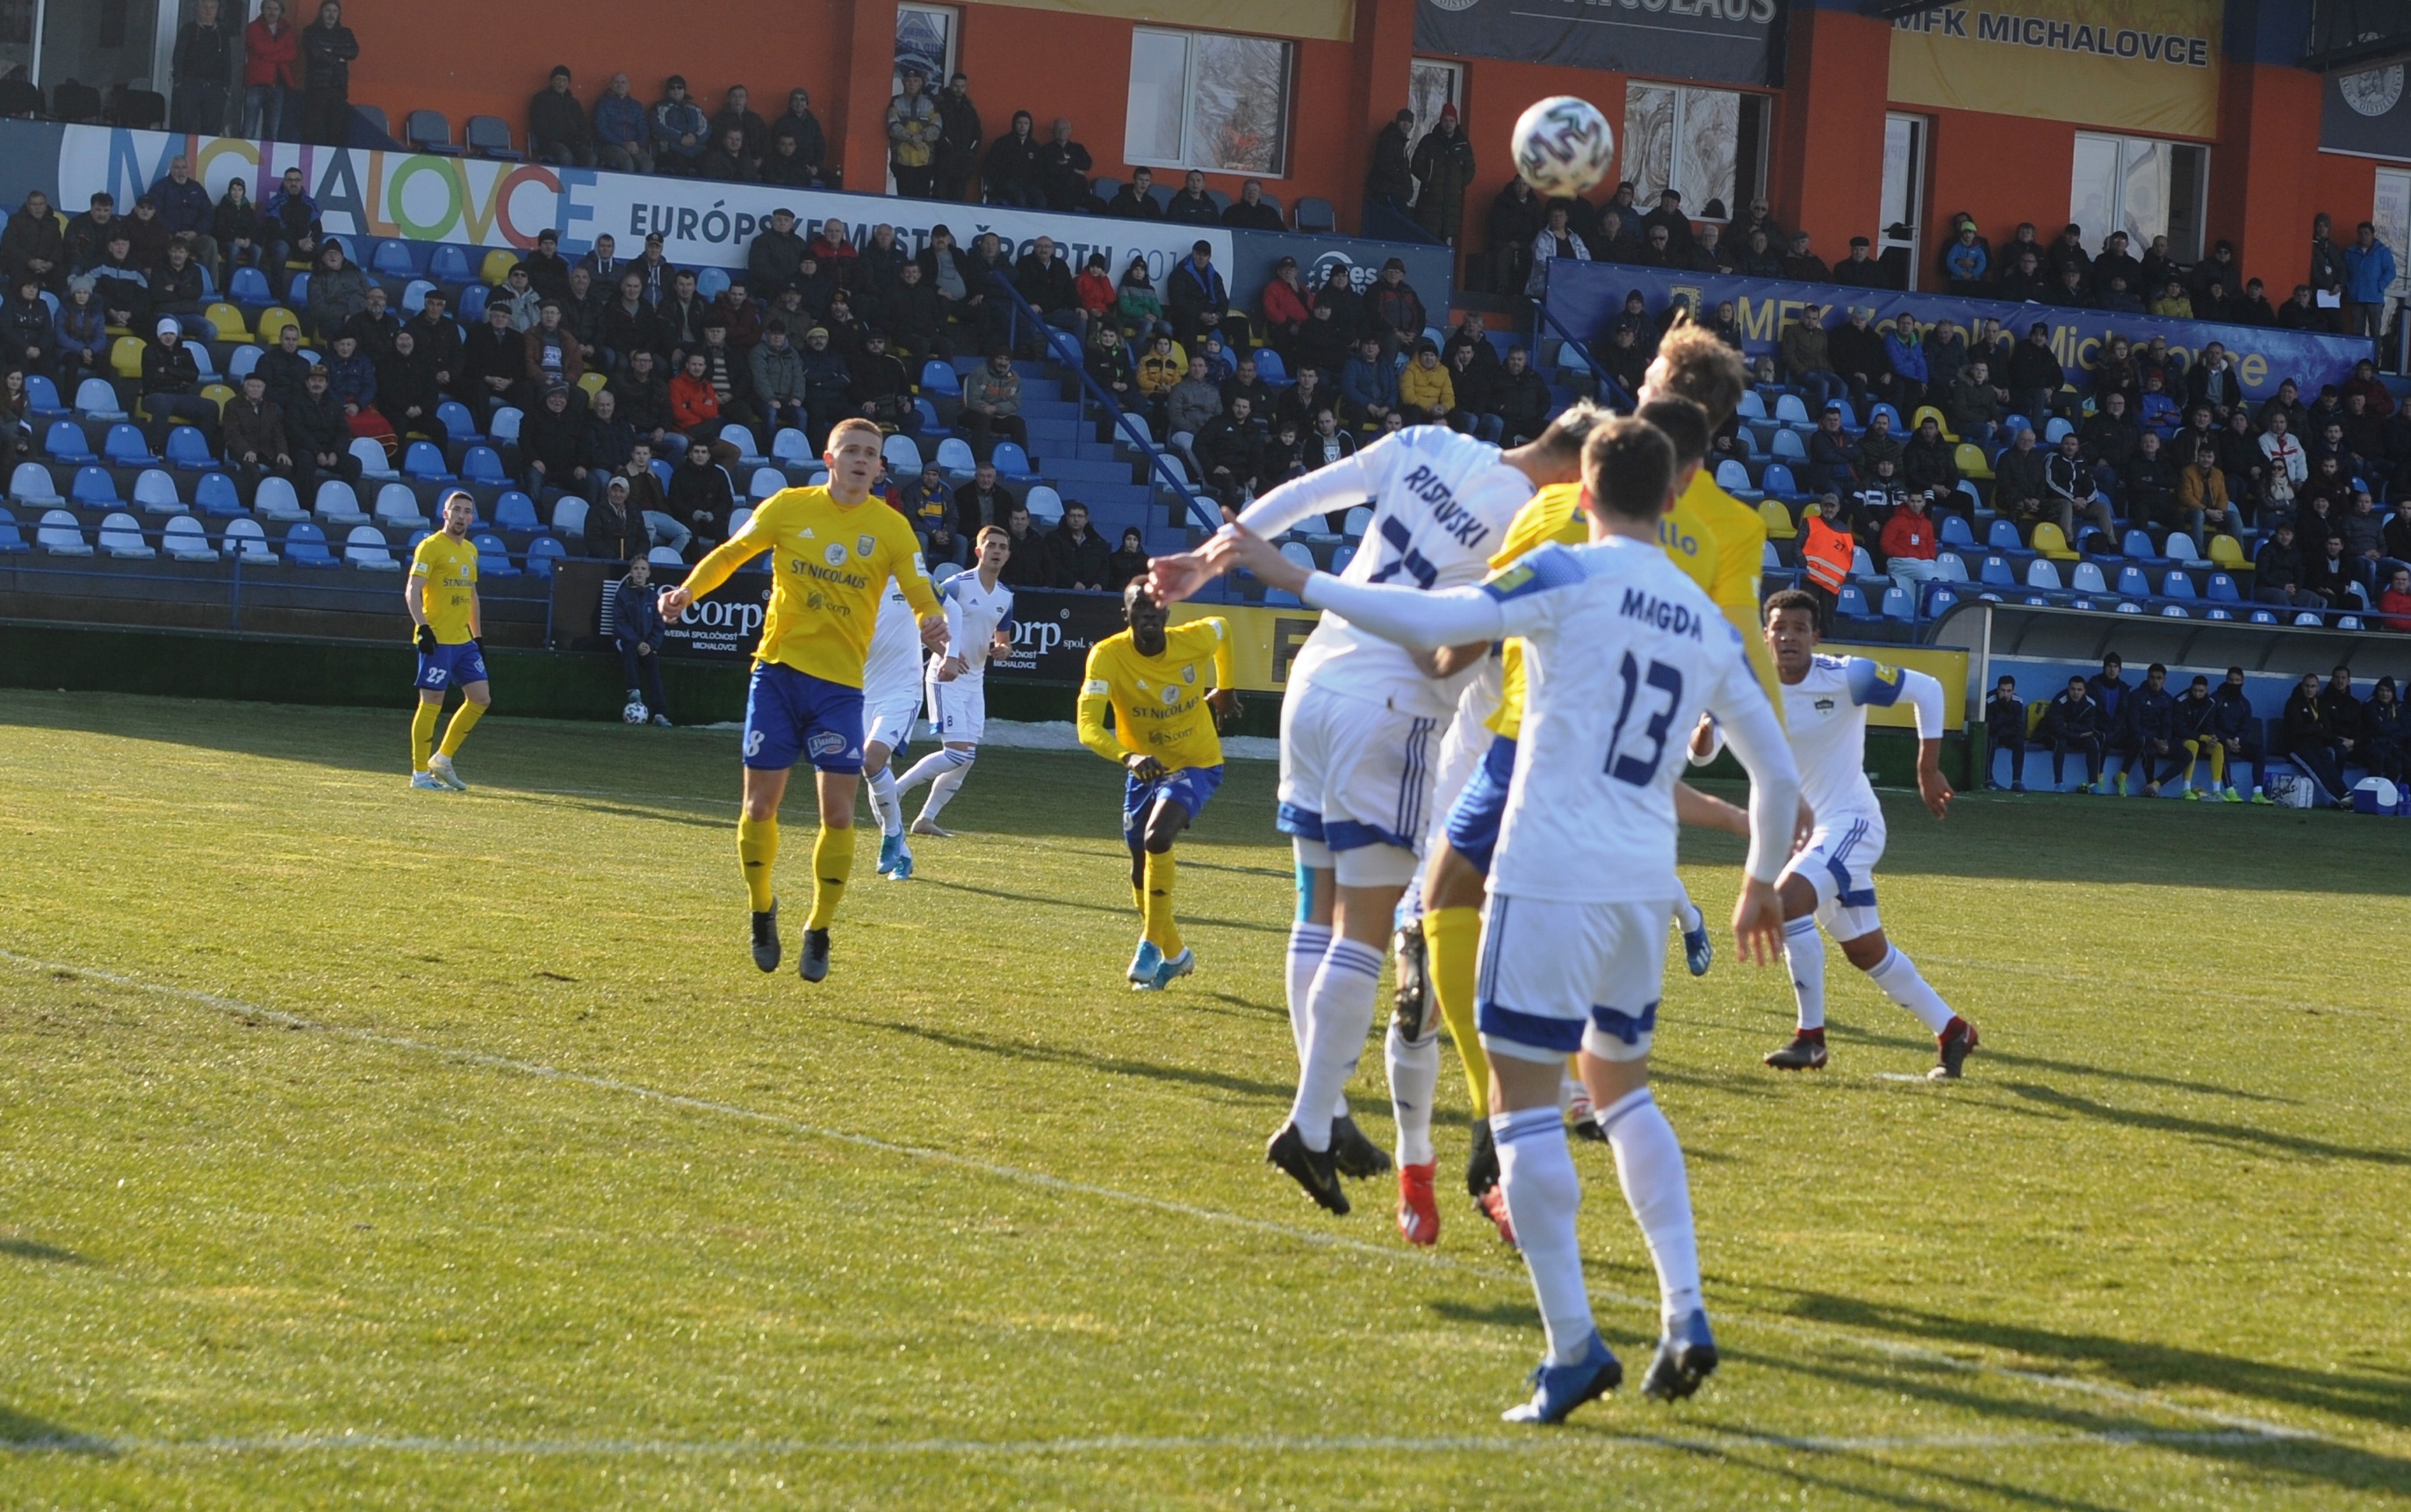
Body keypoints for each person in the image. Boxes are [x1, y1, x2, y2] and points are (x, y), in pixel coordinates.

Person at [1193, 414, 1801, 1422]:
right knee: (1624, 1096)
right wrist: (1758, 879)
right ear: (1671, 499)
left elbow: (1434, 624)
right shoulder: (1699, 615)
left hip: (1547, 871)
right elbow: (1774, 774)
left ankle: (1573, 1348)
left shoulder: (1562, 571)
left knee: (1520, 1111)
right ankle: (1684, 1309)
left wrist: (1293, 576)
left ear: (1582, 495)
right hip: (1640, 887)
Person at [1146, 403, 1598, 1220]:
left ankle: (1323, 1110)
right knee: (1363, 927)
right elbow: (1453, 650)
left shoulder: (1428, 442)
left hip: (1315, 680)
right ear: (1575, 471)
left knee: (1314, 911)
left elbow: (1302, 495)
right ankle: (1309, 1123)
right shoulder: (1536, 524)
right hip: (1390, 707)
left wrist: (1214, 557)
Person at [657, 419, 946, 980]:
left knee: (836, 815)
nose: (861, 460)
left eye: (870, 454)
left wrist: (931, 620)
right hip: (777, 676)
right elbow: (732, 554)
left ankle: (819, 928)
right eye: (851, 451)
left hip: (839, 691)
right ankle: (761, 909)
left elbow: (918, 590)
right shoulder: (788, 507)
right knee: (758, 809)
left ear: (879, 467)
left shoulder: (891, 528)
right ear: (828, 459)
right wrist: (688, 590)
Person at [1756, 591, 1973, 1076]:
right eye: (1779, 628)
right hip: (1811, 836)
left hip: (1852, 821)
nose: (1788, 637)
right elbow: (1705, 751)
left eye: (1799, 628)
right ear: (1766, 634)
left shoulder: (1847, 676)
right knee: (1866, 952)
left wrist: (1927, 768)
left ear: (1816, 636)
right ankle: (1953, 1030)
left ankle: (1810, 1039)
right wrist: (1703, 737)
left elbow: (1929, 690)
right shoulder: (1752, 686)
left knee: (1786, 903)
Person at [1077, 583, 1239, 990]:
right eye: (1140, 606)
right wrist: (1128, 757)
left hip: (1197, 762)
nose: (1150, 612)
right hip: (1144, 769)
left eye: (1157, 606)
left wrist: (1226, 688)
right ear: (1126, 614)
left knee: (1157, 837)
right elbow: (1087, 726)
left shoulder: (1192, 640)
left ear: (1168, 613)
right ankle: (1176, 955)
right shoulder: (1107, 656)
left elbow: (1223, 628)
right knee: (1139, 870)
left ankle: (1149, 943)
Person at [892, 527, 1016, 839]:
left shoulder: (1005, 597)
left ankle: (925, 819)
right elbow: (922, 624)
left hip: (975, 681)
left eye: (1002, 547)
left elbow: (1003, 639)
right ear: (978, 551)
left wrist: (1003, 650)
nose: (997, 551)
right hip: (945, 677)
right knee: (957, 753)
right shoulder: (956, 585)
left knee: (966, 758)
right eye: (991, 545)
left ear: (1008, 555)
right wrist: (945, 654)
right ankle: (893, 791)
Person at [406, 493, 492, 793]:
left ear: (472, 518)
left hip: (463, 640)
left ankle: (442, 759)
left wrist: (477, 636)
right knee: (431, 702)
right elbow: (412, 590)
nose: (461, 516)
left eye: (467, 511)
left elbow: (472, 596)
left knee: (481, 698)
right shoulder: (430, 546)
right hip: (438, 638)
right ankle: (419, 774)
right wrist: (423, 628)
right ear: (445, 514)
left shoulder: (470, 550)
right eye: (456, 509)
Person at [860, 565, 936, 882]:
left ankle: (892, 834)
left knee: (872, 759)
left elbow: (951, 610)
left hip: (902, 690)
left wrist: (949, 654)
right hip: (861, 690)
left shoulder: (915, 578)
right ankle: (901, 852)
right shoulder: (853, 577)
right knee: (874, 773)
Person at [612, 555, 671, 725]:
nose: (639, 572)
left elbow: (659, 625)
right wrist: (637, 642)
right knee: (629, 648)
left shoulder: (653, 597)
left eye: (643, 569)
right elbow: (620, 623)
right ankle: (633, 690)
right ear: (631, 572)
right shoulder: (622, 595)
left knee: (653, 663)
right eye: (636, 569)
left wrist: (650, 645)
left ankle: (659, 714)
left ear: (648, 573)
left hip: (646, 645)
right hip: (626, 642)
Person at [2281, 672, 2349, 805]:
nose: (2309, 689)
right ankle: (2339, 800)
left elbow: (2327, 728)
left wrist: (2316, 729)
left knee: (2330, 766)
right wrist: (2317, 727)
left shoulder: (2321, 703)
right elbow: (2298, 730)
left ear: (2317, 688)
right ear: (2302, 686)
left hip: (2317, 745)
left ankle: (2346, 793)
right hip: (2297, 747)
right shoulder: (2293, 703)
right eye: (2307, 686)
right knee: (2318, 771)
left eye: (2313, 686)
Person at [1410, 104, 1474, 245]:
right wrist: (1428, 179)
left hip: (1452, 203)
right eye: (1445, 120)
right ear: (1440, 121)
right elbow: (1416, 164)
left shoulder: (1463, 144)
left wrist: (1458, 183)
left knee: (1447, 241)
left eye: (1451, 121)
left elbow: (1470, 168)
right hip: (1430, 201)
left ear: (1456, 122)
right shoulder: (1429, 141)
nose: (1448, 124)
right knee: (1426, 240)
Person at [298, 0, 358, 147]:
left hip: (338, 88)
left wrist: (331, 50)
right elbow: (315, 53)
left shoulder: (345, 33)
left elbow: (353, 52)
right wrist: (339, 58)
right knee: (314, 132)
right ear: (321, 12)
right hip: (316, 87)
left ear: (339, 14)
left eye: (334, 11)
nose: (331, 14)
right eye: (328, 10)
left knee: (336, 132)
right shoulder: (310, 31)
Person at [172, 0, 234, 135]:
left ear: (217, 10)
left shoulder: (222, 33)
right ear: (197, 8)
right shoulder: (188, 30)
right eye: (205, 7)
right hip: (190, 84)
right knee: (183, 126)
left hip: (215, 87)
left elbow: (227, 60)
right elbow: (178, 56)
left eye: (212, 7)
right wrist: (178, 81)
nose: (208, 10)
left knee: (211, 130)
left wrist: (226, 86)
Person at [242, 0, 299, 140]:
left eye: (275, 9)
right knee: (249, 129)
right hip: (255, 84)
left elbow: (292, 54)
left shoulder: (287, 29)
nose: (272, 12)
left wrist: (267, 55)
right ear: (262, 9)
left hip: (278, 85)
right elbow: (259, 48)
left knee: (272, 132)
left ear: (281, 11)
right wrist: (281, 48)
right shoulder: (253, 27)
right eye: (269, 8)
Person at [2127, 663, 2185, 796]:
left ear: (2164, 680)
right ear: (2147, 678)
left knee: (2187, 755)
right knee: (2149, 750)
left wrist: (2165, 741)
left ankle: (2156, 784)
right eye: (2152, 678)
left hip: (2160, 740)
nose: (2155, 681)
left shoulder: (2167, 699)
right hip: (2142, 739)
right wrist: (2154, 740)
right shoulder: (2136, 696)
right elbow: (2134, 724)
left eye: (2159, 678)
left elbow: (2167, 724)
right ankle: (2149, 784)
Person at [2041, 674, 2104, 792]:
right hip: (2054, 734)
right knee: (2060, 742)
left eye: (2079, 690)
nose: (2076, 692)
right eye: (2073, 689)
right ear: (2068, 689)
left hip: (2075, 735)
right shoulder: (2059, 700)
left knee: (2093, 742)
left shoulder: (2090, 704)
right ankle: (2059, 783)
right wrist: (2077, 734)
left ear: (2084, 691)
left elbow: (2089, 727)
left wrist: (2070, 726)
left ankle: (2093, 784)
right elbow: (2057, 728)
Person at [887, 67, 940, 198]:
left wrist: (921, 136)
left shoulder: (930, 103)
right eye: (908, 81)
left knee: (922, 201)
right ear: (903, 82)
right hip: (902, 161)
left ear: (921, 83)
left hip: (924, 161)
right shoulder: (895, 102)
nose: (912, 84)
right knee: (903, 200)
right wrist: (912, 138)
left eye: (915, 80)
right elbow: (893, 126)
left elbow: (937, 127)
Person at [957, 349, 1025, 454]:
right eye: (1000, 358)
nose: (1003, 363)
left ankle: (1022, 459)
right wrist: (986, 409)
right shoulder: (979, 373)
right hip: (971, 413)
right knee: (983, 420)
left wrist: (996, 408)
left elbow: (1014, 404)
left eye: (1006, 359)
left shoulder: (1014, 378)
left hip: (997, 416)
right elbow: (971, 401)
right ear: (993, 359)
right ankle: (980, 460)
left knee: (1018, 423)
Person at [529, 66, 594, 167]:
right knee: (565, 156)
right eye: (558, 79)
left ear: (568, 83)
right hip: (549, 143)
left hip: (572, 143)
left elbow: (583, 125)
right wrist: (554, 138)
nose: (561, 83)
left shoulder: (574, 103)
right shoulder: (541, 99)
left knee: (591, 157)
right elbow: (539, 125)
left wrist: (582, 140)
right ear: (552, 81)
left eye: (564, 80)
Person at [2344, 221, 2397, 342]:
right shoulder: (2351, 251)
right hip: (2356, 297)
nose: (2363, 236)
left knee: (2375, 333)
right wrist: (2349, 286)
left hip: (2374, 298)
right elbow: (2344, 271)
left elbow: (2391, 271)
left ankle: (2375, 354)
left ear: (2373, 234)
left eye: (2366, 233)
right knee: (2357, 333)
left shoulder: (2382, 251)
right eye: (2360, 233)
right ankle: (2359, 354)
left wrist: (2380, 285)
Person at [1045, 500, 1112, 590]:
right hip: (1062, 590)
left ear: (1086, 519)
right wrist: (1073, 583)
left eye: (1080, 516)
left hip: (1091, 593)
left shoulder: (1098, 542)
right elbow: (1053, 565)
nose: (1076, 519)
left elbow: (1104, 568)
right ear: (1067, 518)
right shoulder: (1054, 538)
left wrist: (1100, 584)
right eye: (1073, 516)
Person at [593, 74, 652, 175]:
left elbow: (643, 128)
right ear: (611, 85)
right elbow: (601, 128)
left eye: (623, 82)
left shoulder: (636, 105)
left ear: (628, 86)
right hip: (610, 146)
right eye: (616, 82)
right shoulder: (603, 103)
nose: (620, 85)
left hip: (634, 146)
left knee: (648, 164)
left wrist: (637, 144)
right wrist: (623, 144)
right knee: (627, 163)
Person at [1983, 675, 2027, 791]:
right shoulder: (1989, 701)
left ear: (2013, 690)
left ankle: (2017, 781)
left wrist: (2002, 728)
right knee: (1991, 740)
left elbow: (2018, 727)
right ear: (1998, 689)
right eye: (2002, 690)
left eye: (2009, 691)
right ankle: (1988, 779)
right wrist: (2003, 721)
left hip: (2005, 734)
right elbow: (1989, 726)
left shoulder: (2018, 702)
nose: (2005, 694)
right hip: (1993, 735)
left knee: (2019, 742)